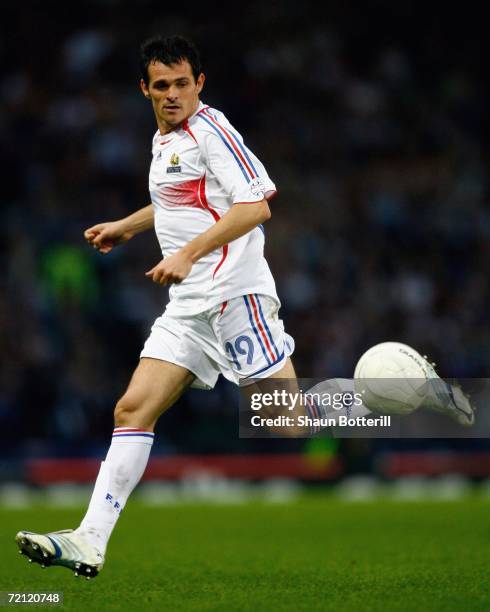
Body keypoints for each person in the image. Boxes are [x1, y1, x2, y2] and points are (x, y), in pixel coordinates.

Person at [15, 35, 475, 580]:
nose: (172, 95)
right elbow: (175, 200)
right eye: (160, 86)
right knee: (131, 409)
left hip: (236, 296)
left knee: (286, 423)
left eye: (182, 84)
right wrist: (127, 226)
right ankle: (90, 541)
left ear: (199, 83)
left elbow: (255, 206)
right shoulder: (163, 141)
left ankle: (400, 387)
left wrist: (188, 252)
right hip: (189, 308)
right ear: (145, 89)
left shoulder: (211, 129)